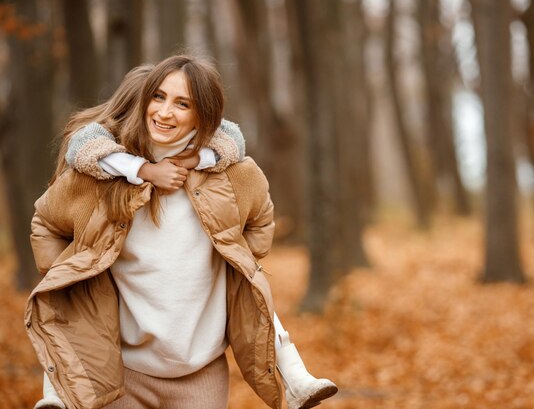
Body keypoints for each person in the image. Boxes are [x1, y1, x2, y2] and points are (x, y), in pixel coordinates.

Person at [27, 55, 336, 409]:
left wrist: (231, 253)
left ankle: (295, 376)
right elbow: (46, 223)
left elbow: (261, 218)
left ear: (202, 115)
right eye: (157, 97)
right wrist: (73, 273)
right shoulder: (99, 180)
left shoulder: (232, 172)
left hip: (200, 372)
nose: (164, 112)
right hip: (120, 374)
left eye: (182, 103)